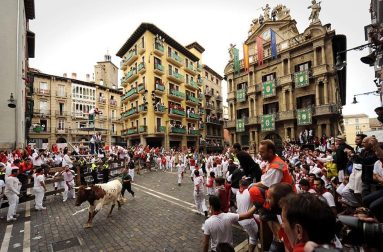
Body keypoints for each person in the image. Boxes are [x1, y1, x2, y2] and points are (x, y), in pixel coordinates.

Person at [236, 179, 258, 252]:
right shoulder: (250, 191)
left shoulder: (237, 192)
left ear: (240, 185)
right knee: (254, 238)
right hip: (248, 220)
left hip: (240, 218)